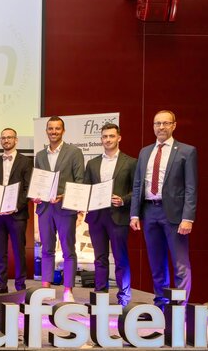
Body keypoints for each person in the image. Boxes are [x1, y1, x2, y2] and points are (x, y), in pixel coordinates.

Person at [130, 110, 197, 304]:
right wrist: (134, 214)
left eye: (166, 123)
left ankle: (180, 309)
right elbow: (138, 185)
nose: (161, 127)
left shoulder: (186, 151)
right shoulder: (145, 152)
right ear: (153, 126)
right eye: (157, 123)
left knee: (180, 265)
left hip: (175, 215)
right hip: (149, 212)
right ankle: (161, 305)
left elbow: (191, 187)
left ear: (174, 125)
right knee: (156, 264)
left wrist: (188, 218)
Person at [32, 116, 84, 302]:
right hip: (45, 208)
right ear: (46, 131)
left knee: (68, 250)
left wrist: (65, 196)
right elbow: (37, 180)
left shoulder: (74, 152)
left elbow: (80, 181)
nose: (53, 131)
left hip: (65, 208)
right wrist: (36, 195)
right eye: (50, 128)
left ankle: (68, 290)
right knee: (46, 249)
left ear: (63, 131)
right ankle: (45, 287)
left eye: (57, 128)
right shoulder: (40, 155)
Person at [84, 123, 136, 305]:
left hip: (118, 216)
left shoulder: (130, 162)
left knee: (121, 259)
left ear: (119, 138)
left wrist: (123, 200)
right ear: (101, 139)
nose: (108, 140)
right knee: (99, 259)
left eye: (111, 136)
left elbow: (137, 190)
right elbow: (86, 189)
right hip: (96, 217)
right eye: (105, 136)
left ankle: (124, 298)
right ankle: (100, 297)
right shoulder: (92, 163)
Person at [0, 127, 33, 293]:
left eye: (9, 137)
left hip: (17, 215)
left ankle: (20, 285)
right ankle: (2, 285)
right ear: (0, 141)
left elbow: (28, 189)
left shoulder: (26, 162)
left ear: (16, 140)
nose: (6, 140)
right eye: (3, 138)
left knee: (19, 251)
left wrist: (15, 207)